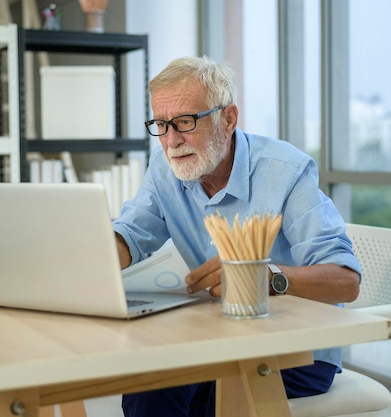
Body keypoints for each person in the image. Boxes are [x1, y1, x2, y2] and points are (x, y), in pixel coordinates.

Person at [112, 55, 361, 417]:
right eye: (161, 125)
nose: (171, 140)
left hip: (294, 351)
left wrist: (262, 277)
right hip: (208, 339)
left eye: (184, 121)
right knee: (145, 386)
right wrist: (98, 259)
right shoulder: (163, 168)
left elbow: (345, 281)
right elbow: (131, 234)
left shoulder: (285, 171)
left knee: (213, 397)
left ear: (228, 119)